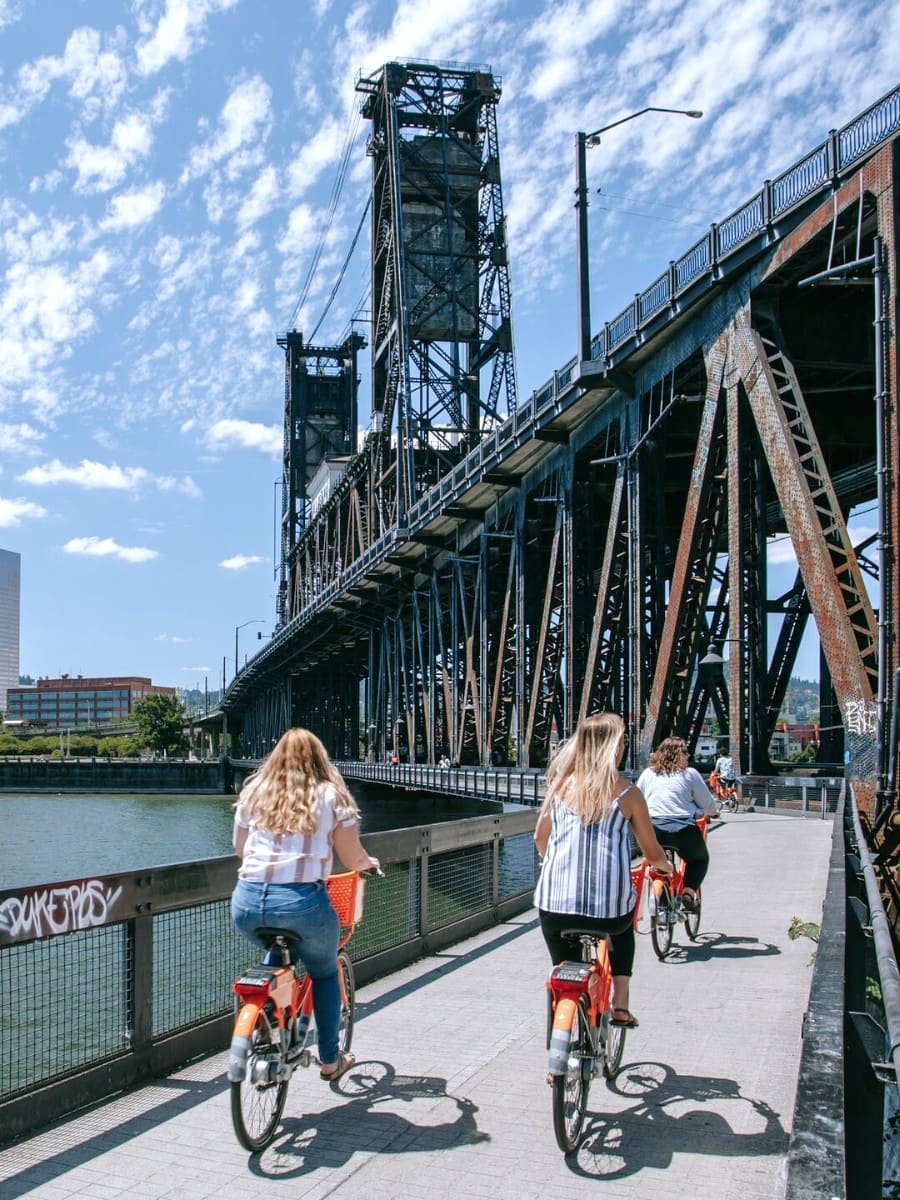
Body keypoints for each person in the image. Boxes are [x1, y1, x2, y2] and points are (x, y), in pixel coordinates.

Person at [230, 727, 379, 1082]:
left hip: (247, 901)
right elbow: (350, 854)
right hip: (302, 903)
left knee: (276, 949)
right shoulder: (331, 795)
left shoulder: (255, 792)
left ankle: (268, 1017)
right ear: (319, 758)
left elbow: (240, 848)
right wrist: (367, 864)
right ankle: (330, 1060)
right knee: (324, 972)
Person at [534, 712, 673, 1029]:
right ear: (615, 747)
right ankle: (621, 1004)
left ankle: (564, 1022)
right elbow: (651, 853)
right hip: (608, 913)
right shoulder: (628, 793)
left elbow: (540, 839)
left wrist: (554, 864)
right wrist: (664, 867)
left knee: (565, 965)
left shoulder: (559, 787)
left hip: (553, 908)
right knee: (623, 933)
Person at [637, 736, 718, 912]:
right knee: (699, 859)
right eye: (685, 752)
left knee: (658, 862)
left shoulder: (647, 774)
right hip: (683, 830)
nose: (688, 756)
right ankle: (688, 892)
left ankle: (661, 890)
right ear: (678, 755)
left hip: (654, 830)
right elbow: (707, 803)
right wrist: (713, 812)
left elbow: (638, 800)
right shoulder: (689, 774)